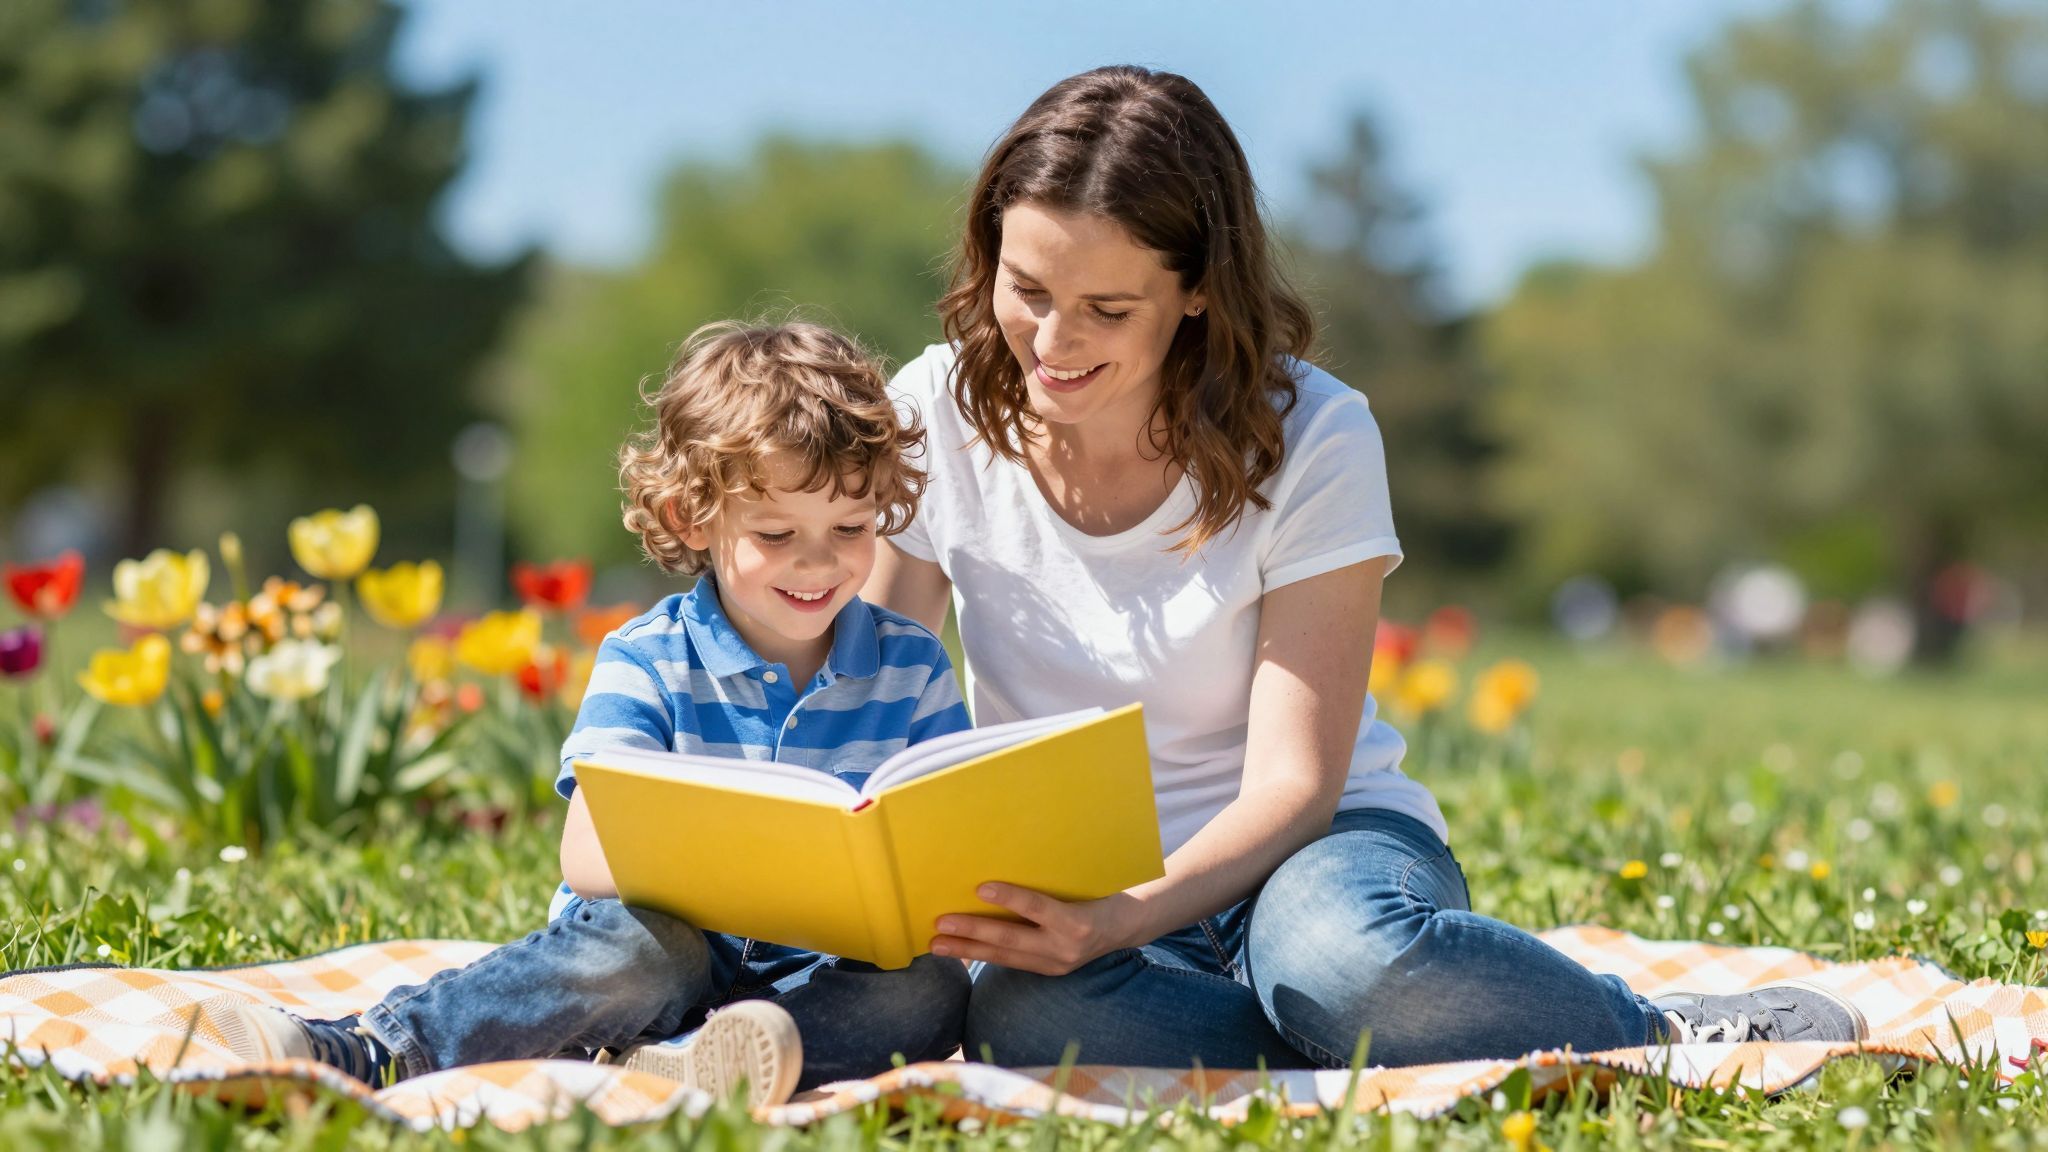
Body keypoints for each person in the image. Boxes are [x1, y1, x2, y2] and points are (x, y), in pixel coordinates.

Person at [863, 65, 1867, 1070]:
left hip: (1311, 854)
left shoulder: (1314, 432)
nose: (1052, 340)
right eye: (1026, 290)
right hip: (1085, 883)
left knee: (1343, 964)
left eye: (1107, 309)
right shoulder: (936, 414)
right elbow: (868, 703)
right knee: (1023, 1025)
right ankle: (1361, 1039)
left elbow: (1295, 783)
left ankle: (1650, 1028)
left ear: (1200, 288)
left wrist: (1122, 919)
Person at [197, 321, 975, 1107]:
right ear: (691, 519)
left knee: (932, 989)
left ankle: (699, 1061)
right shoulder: (650, 657)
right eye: (777, 533)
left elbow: (944, 847)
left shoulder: (912, 666)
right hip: (662, 945)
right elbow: (590, 858)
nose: (821, 561)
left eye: (853, 529)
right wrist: (760, 865)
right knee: (643, 952)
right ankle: (372, 1049)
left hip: (820, 969)